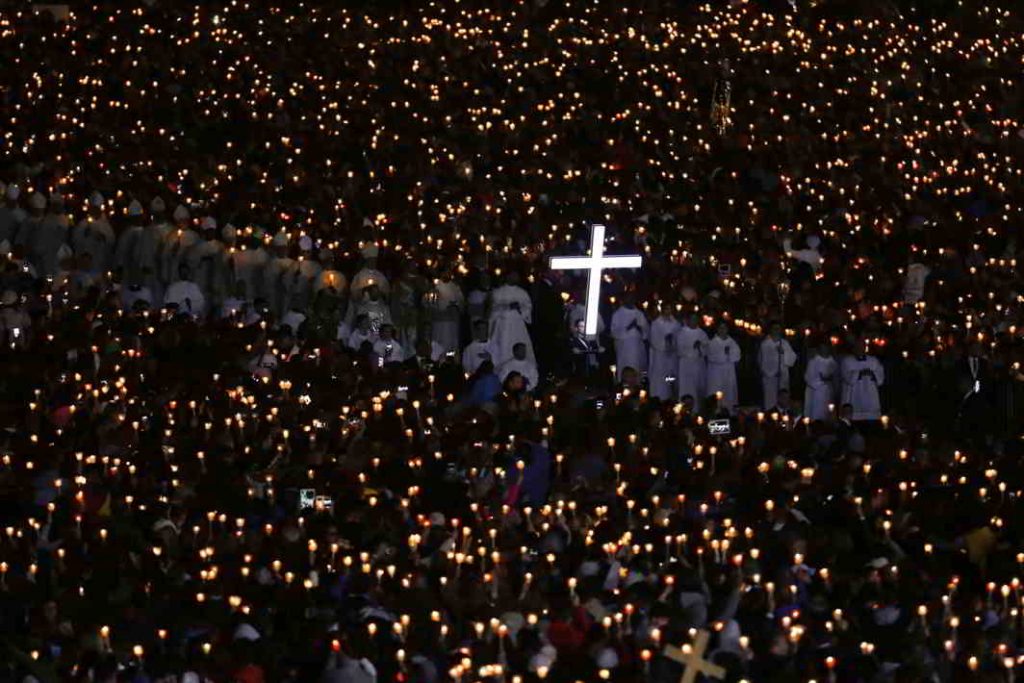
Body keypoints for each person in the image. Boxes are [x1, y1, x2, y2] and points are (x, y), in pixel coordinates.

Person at [489, 271, 534, 366]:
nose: (515, 278)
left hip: (517, 326)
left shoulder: (522, 292)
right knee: (503, 348)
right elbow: (493, 310)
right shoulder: (498, 292)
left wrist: (519, 308)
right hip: (503, 326)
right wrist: (508, 307)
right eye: (512, 275)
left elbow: (528, 308)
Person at [758, 321, 797, 410]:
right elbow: (762, 361)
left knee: (783, 398)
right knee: (770, 400)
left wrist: (784, 352)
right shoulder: (765, 344)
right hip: (770, 378)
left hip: (782, 375)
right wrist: (772, 372)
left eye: (778, 329)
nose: (776, 331)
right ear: (771, 330)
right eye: (774, 329)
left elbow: (792, 358)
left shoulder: (784, 343)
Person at [609, 293, 649, 381]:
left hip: (637, 348)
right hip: (624, 349)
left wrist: (639, 328)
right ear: (624, 300)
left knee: (637, 368)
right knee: (625, 367)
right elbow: (614, 332)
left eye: (632, 298)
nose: (631, 300)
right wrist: (628, 327)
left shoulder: (639, 313)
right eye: (628, 298)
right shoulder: (618, 314)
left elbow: (646, 331)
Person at [841, 346, 885, 421]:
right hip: (854, 397)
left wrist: (872, 374)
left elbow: (880, 377)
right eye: (857, 348)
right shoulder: (847, 361)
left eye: (861, 347)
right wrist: (859, 373)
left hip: (870, 398)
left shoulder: (873, 360)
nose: (859, 350)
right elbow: (847, 376)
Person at [705, 322, 741, 413]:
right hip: (716, 374)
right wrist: (725, 355)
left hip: (729, 373)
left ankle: (729, 413)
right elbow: (712, 357)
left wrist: (729, 355)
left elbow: (737, 356)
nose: (722, 330)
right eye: (720, 328)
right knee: (717, 393)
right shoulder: (712, 342)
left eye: (724, 328)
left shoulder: (732, 342)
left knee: (728, 394)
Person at [675, 312, 708, 407]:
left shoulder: (702, 333)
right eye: (692, 319)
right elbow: (680, 350)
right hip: (686, 365)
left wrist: (700, 347)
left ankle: (698, 408)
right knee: (687, 386)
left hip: (698, 364)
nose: (694, 321)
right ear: (688, 320)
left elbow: (706, 348)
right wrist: (692, 347)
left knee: (698, 386)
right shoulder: (682, 333)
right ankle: (685, 406)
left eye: (696, 319)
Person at [647, 305, 680, 400]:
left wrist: (672, 341)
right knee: (660, 378)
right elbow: (654, 340)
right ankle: (659, 397)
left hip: (672, 357)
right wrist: (664, 341)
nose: (668, 311)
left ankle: (671, 396)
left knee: (670, 377)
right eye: (666, 309)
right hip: (660, 357)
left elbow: (679, 338)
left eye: (669, 308)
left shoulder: (676, 324)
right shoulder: (656, 323)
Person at [803, 342, 837, 421]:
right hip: (816, 393)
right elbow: (808, 378)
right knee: (816, 413)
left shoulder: (833, 362)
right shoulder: (813, 362)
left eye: (826, 348)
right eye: (822, 348)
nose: (824, 350)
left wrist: (830, 380)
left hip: (828, 391)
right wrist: (822, 381)